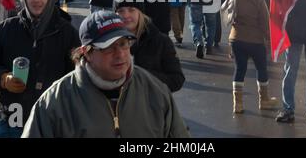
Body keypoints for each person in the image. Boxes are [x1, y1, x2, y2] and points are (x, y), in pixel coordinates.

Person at [21, 11, 190, 138]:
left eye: (124, 44)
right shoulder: (54, 103)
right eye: (108, 47)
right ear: (86, 52)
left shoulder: (155, 91)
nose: (120, 54)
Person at [0, 0, 81, 138]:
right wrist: (3, 78)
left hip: (52, 124)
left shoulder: (67, 33)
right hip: (13, 122)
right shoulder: (4, 30)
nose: (37, 0)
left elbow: (79, 76)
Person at [223, 0, 278, 114]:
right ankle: (264, 100)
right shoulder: (259, 1)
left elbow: (228, 15)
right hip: (255, 41)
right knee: (261, 69)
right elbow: (266, 25)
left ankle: (238, 104)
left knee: (239, 69)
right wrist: (271, 42)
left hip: (236, 39)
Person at [115, 0, 185, 93]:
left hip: (150, 104)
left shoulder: (161, 41)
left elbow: (177, 80)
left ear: (140, 12)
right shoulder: (107, 43)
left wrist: (142, 76)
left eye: (131, 10)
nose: (126, 15)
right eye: (120, 11)